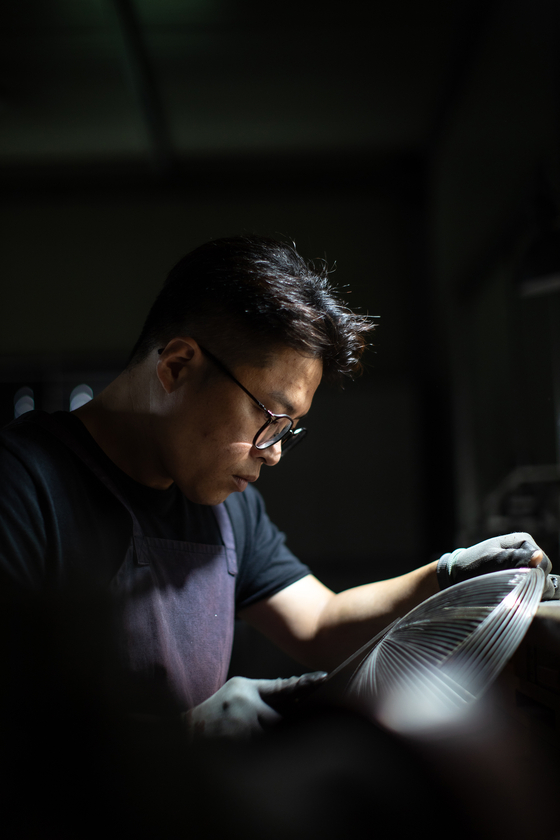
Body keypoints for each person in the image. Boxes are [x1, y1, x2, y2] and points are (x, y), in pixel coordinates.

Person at [0, 234, 556, 740]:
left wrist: (445, 577)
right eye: (269, 415)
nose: (274, 451)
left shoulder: (227, 511)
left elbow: (319, 624)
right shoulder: (24, 488)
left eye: (291, 429)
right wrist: (182, 736)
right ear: (176, 366)